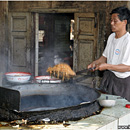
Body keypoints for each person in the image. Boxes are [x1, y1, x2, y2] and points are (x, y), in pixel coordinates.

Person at [88, 6, 130, 101]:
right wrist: (95, 63)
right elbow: (104, 57)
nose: (111, 23)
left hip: (123, 83)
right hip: (110, 79)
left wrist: (107, 66)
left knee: (121, 110)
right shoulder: (111, 37)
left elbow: (127, 67)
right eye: (111, 20)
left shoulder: (128, 41)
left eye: (115, 21)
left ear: (124, 22)